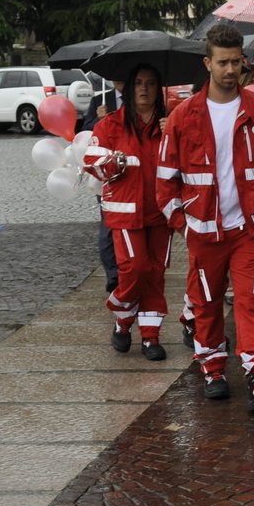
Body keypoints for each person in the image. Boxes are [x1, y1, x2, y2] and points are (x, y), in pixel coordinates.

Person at [157, 24, 254, 412]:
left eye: (236, 62)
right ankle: (212, 369)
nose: (231, 70)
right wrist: (184, 224)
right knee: (207, 302)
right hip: (203, 233)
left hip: (248, 231)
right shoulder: (185, 116)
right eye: (223, 62)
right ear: (208, 63)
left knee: (252, 301)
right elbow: (165, 182)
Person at [85, 65, 170, 361]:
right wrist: (114, 161)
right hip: (125, 214)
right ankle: (122, 318)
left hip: (161, 214)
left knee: (156, 274)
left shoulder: (168, 125)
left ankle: (150, 337)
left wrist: (172, 133)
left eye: (150, 83)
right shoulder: (111, 125)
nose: (144, 89)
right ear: (129, 89)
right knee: (136, 269)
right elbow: (91, 163)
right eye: (138, 84)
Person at [82, 80, 126, 292]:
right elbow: (85, 131)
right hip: (106, 174)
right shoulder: (100, 100)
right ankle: (113, 274)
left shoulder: (138, 97)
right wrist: (97, 119)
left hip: (132, 172)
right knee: (108, 225)